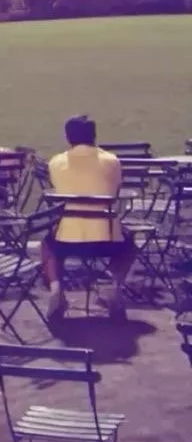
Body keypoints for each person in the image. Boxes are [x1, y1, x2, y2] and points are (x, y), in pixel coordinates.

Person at [43, 114, 135, 318]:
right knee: (130, 244)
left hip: (66, 241)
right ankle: (111, 281)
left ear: (68, 137)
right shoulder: (112, 161)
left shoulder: (56, 163)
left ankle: (57, 289)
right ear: (94, 135)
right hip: (109, 240)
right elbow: (116, 189)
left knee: (47, 244)